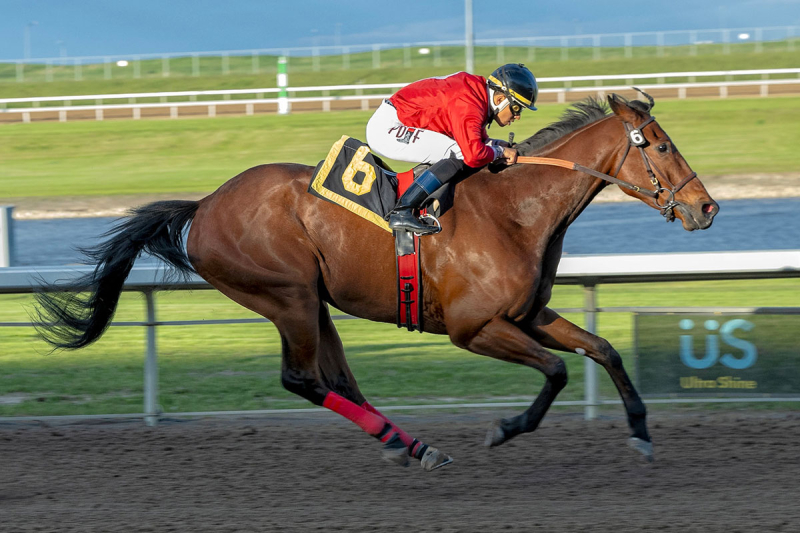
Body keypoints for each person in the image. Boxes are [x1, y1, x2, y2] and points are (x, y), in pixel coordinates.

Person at [365, 63, 539, 234]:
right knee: (459, 154)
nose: (517, 117)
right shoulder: (469, 101)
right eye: (517, 108)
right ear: (500, 99)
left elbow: (474, 137)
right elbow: (473, 154)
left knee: (457, 150)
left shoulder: (476, 94)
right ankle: (402, 211)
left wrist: (493, 144)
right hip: (387, 128)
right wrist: (499, 152)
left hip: (395, 119)